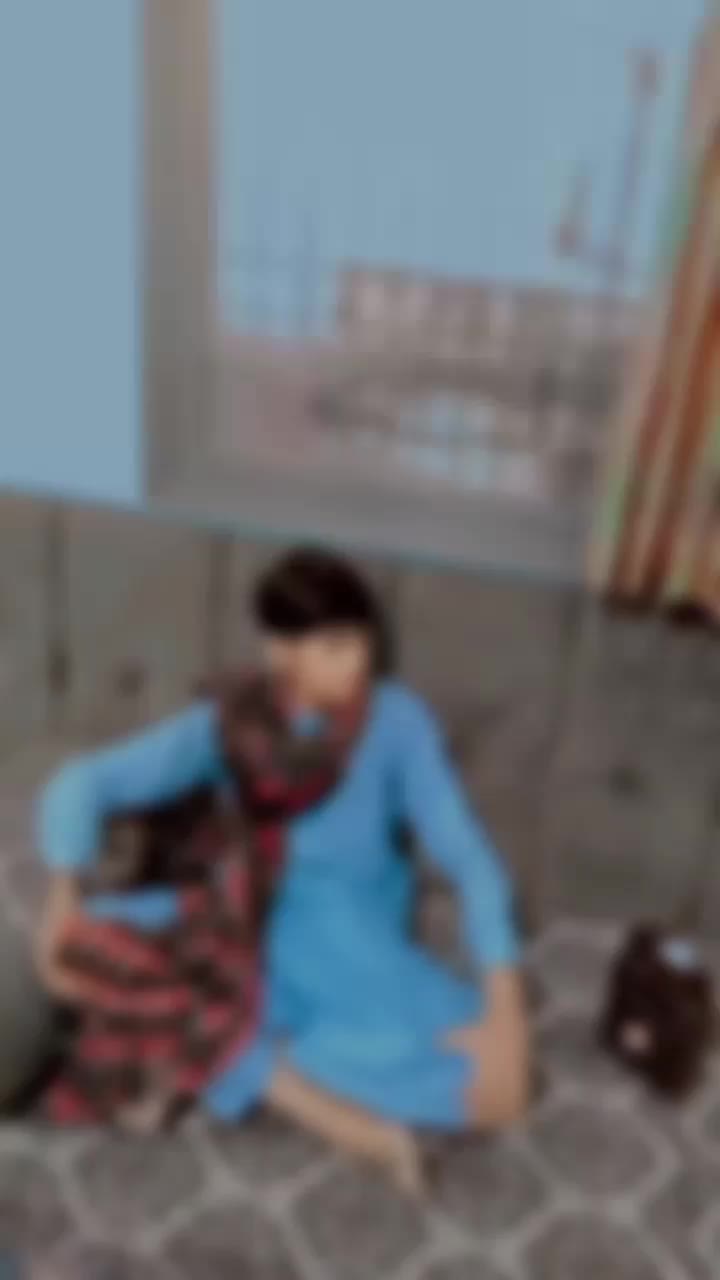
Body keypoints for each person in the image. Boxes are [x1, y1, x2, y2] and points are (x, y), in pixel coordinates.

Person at [34, 547, 529, 1192]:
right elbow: (85, 782)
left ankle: (215, 1052)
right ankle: (339, 1119)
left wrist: (504, 1004)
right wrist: (62, 892)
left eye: (359, 642)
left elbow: (466, 853)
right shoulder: (233, 721)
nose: (356, 662)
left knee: (495, 1086)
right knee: (79, 947)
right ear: (280, 652)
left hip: (349, 935)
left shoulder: (397, 722)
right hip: (238, 912)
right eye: (332, 647)